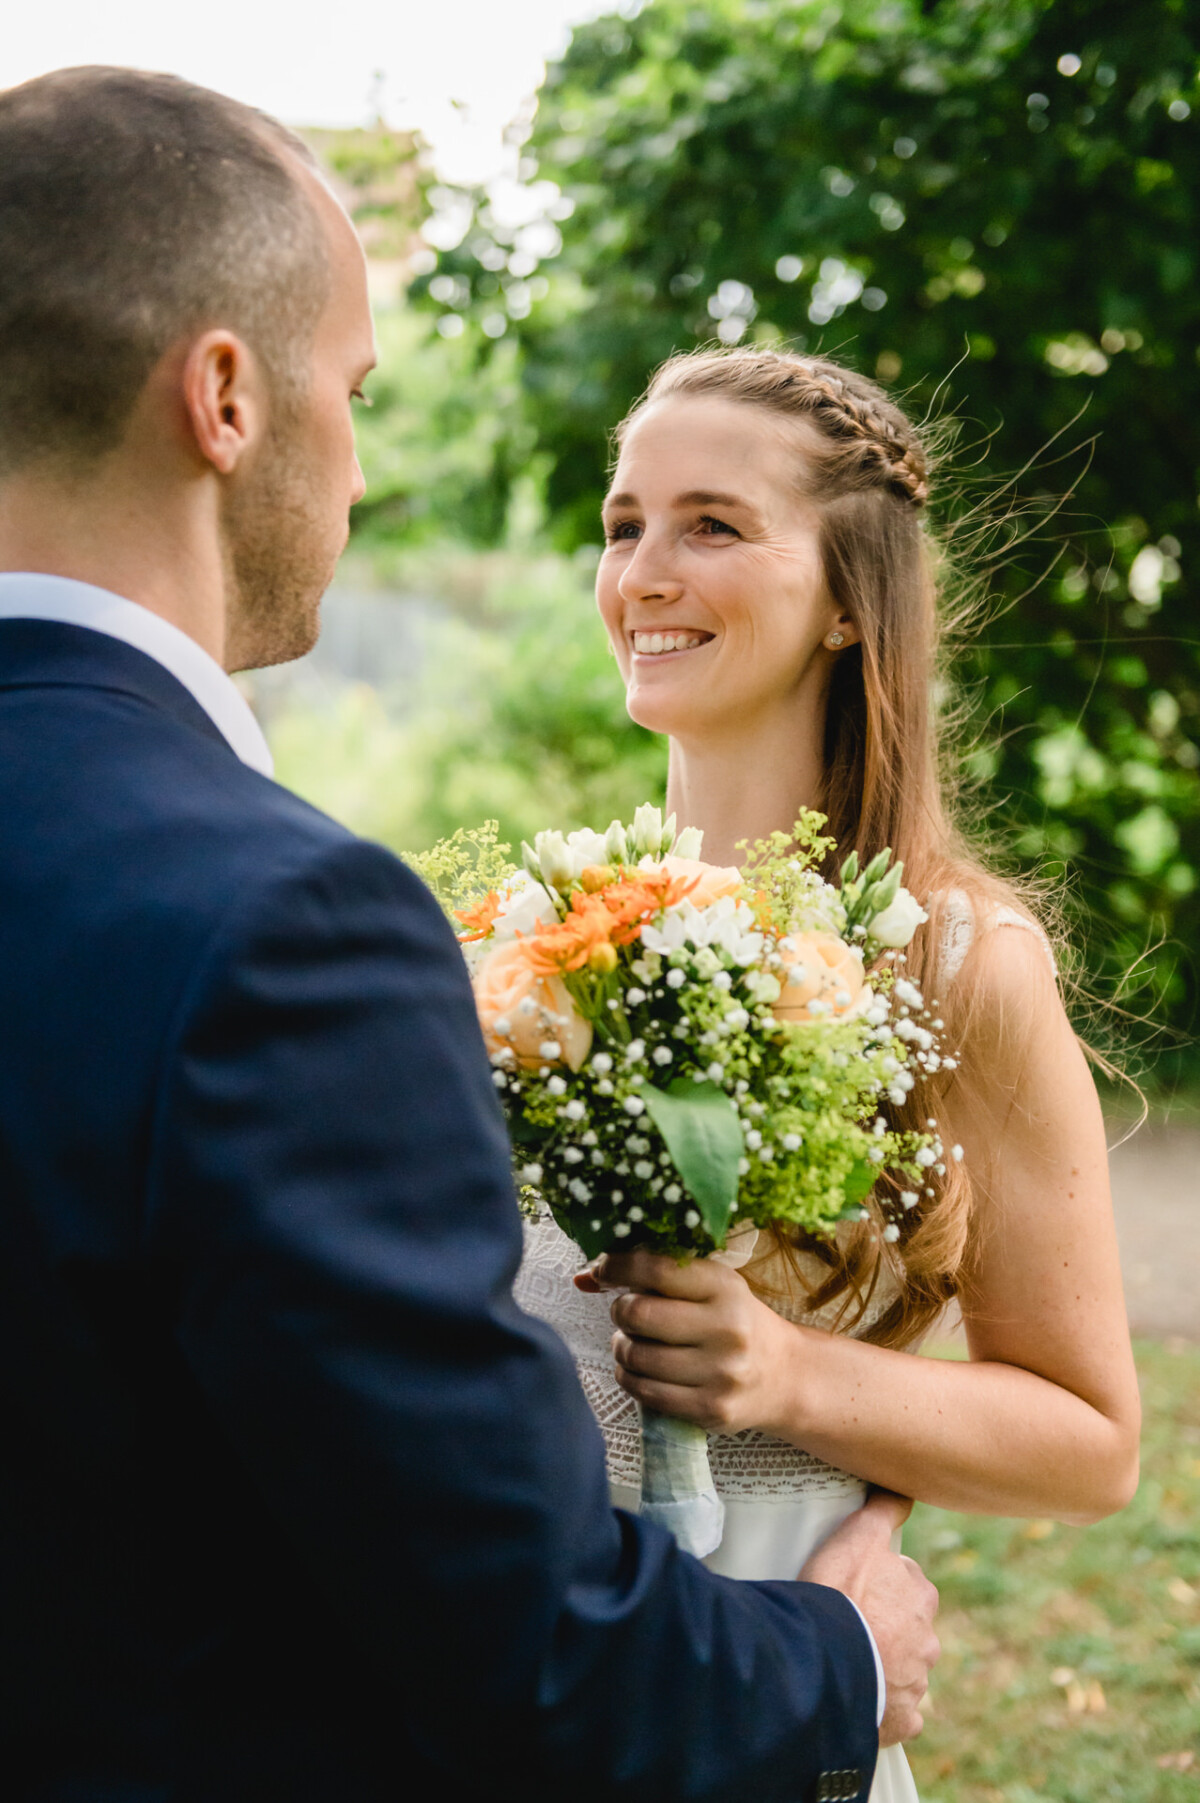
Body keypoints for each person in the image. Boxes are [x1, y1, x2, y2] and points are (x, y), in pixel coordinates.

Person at [0, 68, 939, 1803]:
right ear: (224, 396)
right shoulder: (287, 928)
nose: (354, 464)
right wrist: (845, 1653)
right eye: (349, 393)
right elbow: (530, 1650)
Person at [514, 347, 1142, 1802]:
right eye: (624, 526)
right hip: (524, 1677)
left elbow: (1092, 1442)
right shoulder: (554, 929)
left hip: (772, 1679)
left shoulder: (960, 962)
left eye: (711, 526)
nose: (643, 573)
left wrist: (786, 1373)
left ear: (852, 601)